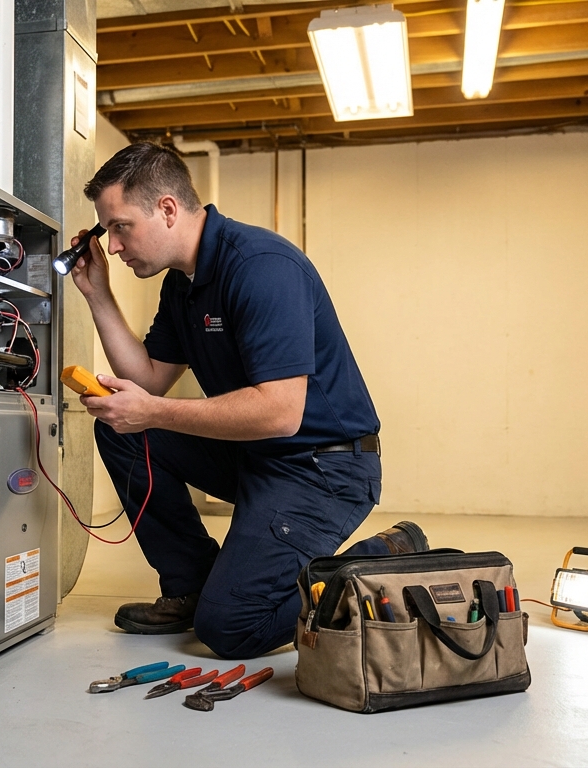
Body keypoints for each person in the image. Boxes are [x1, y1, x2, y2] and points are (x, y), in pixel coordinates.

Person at [70, 142, 428, 660]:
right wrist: (97, 293)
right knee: (121, 427)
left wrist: (149, 410)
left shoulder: (260, 266)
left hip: (324, 468)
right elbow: (147, 381)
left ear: (168, 209)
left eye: (121, 226)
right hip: (258, 455)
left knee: (234, 627)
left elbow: (281, 413)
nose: (117, 246)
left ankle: (382, 556)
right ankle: (189, 586)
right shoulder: (182, 286)